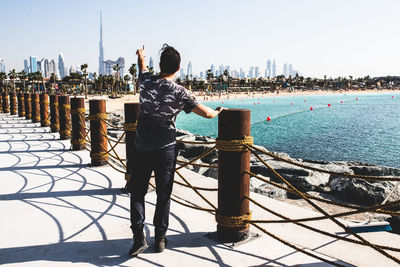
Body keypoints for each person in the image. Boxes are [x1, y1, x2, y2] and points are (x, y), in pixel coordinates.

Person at [129, 44, 224, 257]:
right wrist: (218, 112)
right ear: (178, 68)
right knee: (164, 195)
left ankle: (138, 239)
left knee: (137, 193)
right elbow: (207, 114)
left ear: (161, 65)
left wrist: (141, 54)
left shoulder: (145, 81)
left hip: (142, 147)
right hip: (165, 150)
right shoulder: (181, 93)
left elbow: (142, 65)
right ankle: (160, 239)